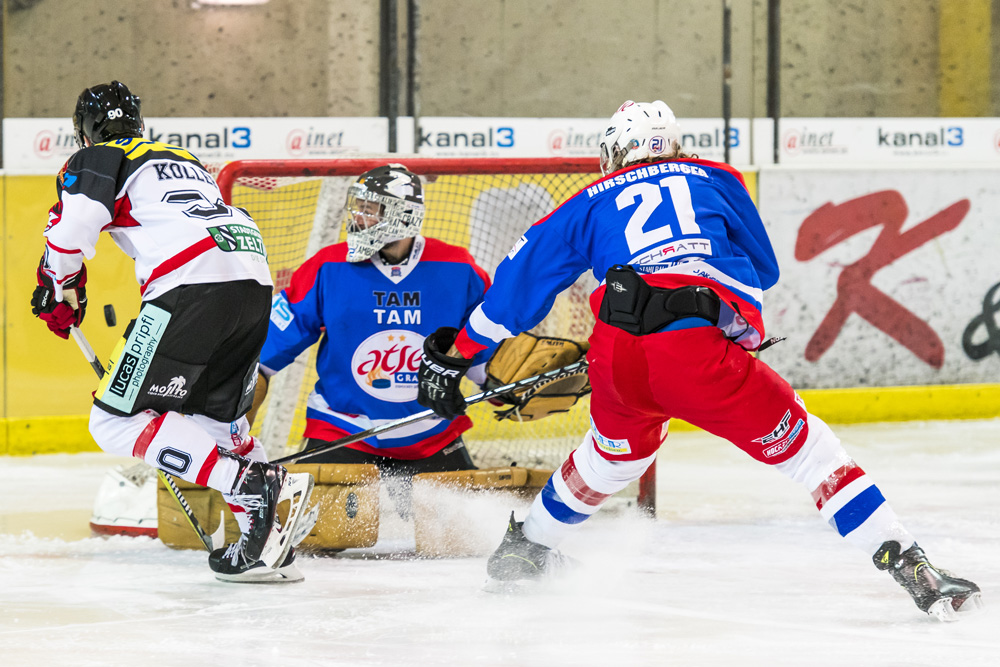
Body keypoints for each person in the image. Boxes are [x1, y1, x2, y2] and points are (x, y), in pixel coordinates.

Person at [417, 100, 983, 620]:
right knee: (811, 454)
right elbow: (764, 269)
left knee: (611, 460)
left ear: (616, 153)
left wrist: (454, 357)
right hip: (694, 351)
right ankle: (913, 566)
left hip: (615, 352)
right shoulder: (717, 177)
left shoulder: (586, 201)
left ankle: (526, 549)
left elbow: (511, 296)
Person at [30, 81, 312, 583]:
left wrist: (56, 287)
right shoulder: (182, 158)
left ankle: (247, 481)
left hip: (190, 284)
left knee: (113, 422)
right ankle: (267, 545)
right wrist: (70, 288)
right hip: (252, 280)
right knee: (221, 424)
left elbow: (72, 232)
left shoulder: (99, 156)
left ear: (85, 131)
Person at [255, 163, 493, 516]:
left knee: (461, 536)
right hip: (342, 430)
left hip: (430, 435)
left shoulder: (458, 268)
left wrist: (505, 387)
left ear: (404, 216)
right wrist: (232, 432)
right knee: (318, 536)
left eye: (370, 209)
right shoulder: (327, 267)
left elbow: (485, 362)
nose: (357, 217)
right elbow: (261, 360)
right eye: (358, 207)